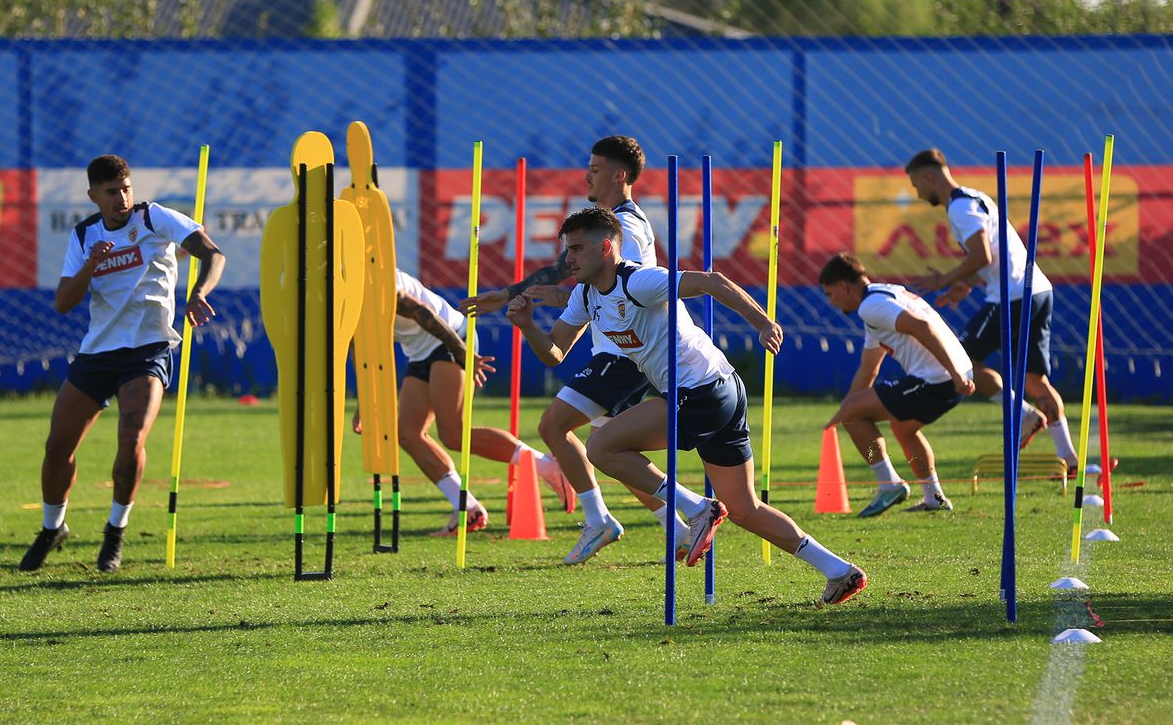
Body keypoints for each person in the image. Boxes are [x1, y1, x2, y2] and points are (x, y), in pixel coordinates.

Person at [507, 207, 867, 605]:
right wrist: (527, 326)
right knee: (745, 508)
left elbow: (711, 281)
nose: (568, 259)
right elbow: (555, 353)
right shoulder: (585, 295)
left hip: (700, 391)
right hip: (724, 388)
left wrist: (763, 322)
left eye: (575, 249)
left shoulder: (640, 281)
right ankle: (839, 570)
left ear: (606, 247)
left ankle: (698, 508)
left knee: (602, 446)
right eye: (566, 250)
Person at [460, 135, 687, 565]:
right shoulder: (607, 223)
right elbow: (568, 272)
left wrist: (561, 300)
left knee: (556, 426)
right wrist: (510, 292)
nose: (587, 175)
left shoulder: (628, 228)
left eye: (596, 168)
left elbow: (626, 289)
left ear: (620, 175)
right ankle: (674, 526)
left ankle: (625, 517)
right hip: (617, 349)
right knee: (607, 448)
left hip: (626, 353)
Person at [19, 154, 226, 573]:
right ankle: (52, 527)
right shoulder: (84, 236)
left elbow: (213, 254)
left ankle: (115, 531)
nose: (122, 198)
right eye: (112, 192)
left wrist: (200, 292)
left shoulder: (154, 219)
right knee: (58, 447)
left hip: (148, 351)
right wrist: (92, 264)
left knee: (131, 439)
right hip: (98, 354)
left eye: (126, 188)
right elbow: (62, 304)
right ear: (93, 195)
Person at [354, 268, 575, 536]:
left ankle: (546, 465)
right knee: (408, 434)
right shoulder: (336, 293)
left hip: (450, 335)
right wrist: (364, 403)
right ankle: (468, 509)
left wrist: (462, 351)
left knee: (454, 433)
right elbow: (362, 347)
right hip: (419, 350)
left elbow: (421, 312)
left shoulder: (369, 275)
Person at [905, 148, 1079, 473]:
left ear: (929, 177)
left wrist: (945, 279)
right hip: (1037, 290)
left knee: (962, 361)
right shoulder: (974, 196)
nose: (918, 193)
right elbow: (995, 255)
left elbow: (982, 256)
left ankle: (1024, 415)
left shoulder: (959, 208)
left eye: (917, 185)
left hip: (1010, 296)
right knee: (1035, 380)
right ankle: (1070, 460)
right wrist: (964, 285)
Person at [819, 253, 976, 516]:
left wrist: (956, 375)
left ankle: (889, 484)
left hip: (939, 378)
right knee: (904, 429)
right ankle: (934, 497)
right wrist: (843, 410)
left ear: (844, 286)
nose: (831, 301)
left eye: (830, 293)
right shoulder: (883, 295)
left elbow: (922, 327)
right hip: (949, 374)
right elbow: (869, 368)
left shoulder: (871, 307)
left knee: (854, 416)